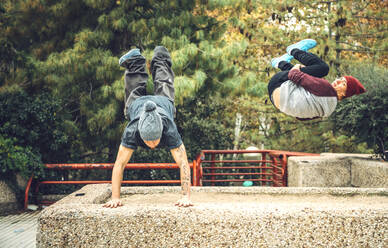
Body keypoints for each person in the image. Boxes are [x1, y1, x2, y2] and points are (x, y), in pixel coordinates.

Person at [103, 46, 193, 208]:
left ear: (162, 131)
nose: (152, 145)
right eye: (148, 142)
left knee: (162, 82)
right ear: (139, 134)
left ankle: (157, 57)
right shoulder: (132, 130)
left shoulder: (168, 127)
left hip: (163, 105)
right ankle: (138, 61)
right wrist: (115, 197)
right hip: (138, 107)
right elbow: (119, 164)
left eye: (155, 141)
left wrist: (186, 196)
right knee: (143, 91)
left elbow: (183, 163)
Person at [268, 39, 366, 121]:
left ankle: (293, 50)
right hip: (276, 101)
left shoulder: (327, 89)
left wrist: (298, 66)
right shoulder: (328, 111)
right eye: (340, 78)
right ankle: (279, 62)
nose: (338, 81)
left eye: (343, 83)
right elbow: (300, 118)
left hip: (278, 83)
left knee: (323, 68)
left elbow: (293, 74)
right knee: (307, 79)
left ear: (344, 94)